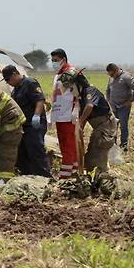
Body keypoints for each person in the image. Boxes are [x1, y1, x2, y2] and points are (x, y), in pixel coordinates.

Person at [59, 68, 117, 173]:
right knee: (90, 158)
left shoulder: (90, 91)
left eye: (71, 88)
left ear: (77, 83)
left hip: (106, 127)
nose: (70, 91)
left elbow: (89, 106)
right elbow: (84, 114)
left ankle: (105, 179)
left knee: (97, 158)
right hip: (99, 128)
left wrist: (80, 122)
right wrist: (80, 128)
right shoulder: (81, 97)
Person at [1, 65, 53, 177]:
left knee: (36, 150)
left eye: (8, 79)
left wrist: (36, 116)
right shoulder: (15, 90)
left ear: (15, 74)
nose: (8, 83)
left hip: (34, 125)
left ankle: (45, 177)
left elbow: (39, 100)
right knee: (22, 153)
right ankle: (28, 176)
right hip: (23, 126)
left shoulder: (30, 83)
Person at [50, 48, 79, 179]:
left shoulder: (72, 73)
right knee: (63, 145)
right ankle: (72, 172)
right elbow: (55, 96)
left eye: (56, 61)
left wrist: (77, 108)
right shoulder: (57, 75)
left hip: (69, 116)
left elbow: (80, 92)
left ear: (64, 60)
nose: (53, 63)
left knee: (69, 145)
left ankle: (66, 176)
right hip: (59, 115)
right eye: (52, 61)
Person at [105, 63, 134, 152]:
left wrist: (130, 101)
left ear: (116, 70)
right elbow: (108, 91)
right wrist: (109, 101)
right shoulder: (111, 78)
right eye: (109, 75)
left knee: (123, 126)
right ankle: (113, 145)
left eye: (112, 74)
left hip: (123, 107)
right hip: (113, 107)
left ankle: (124, 146)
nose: (111, 76)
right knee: (113, 126)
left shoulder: (126, 77)